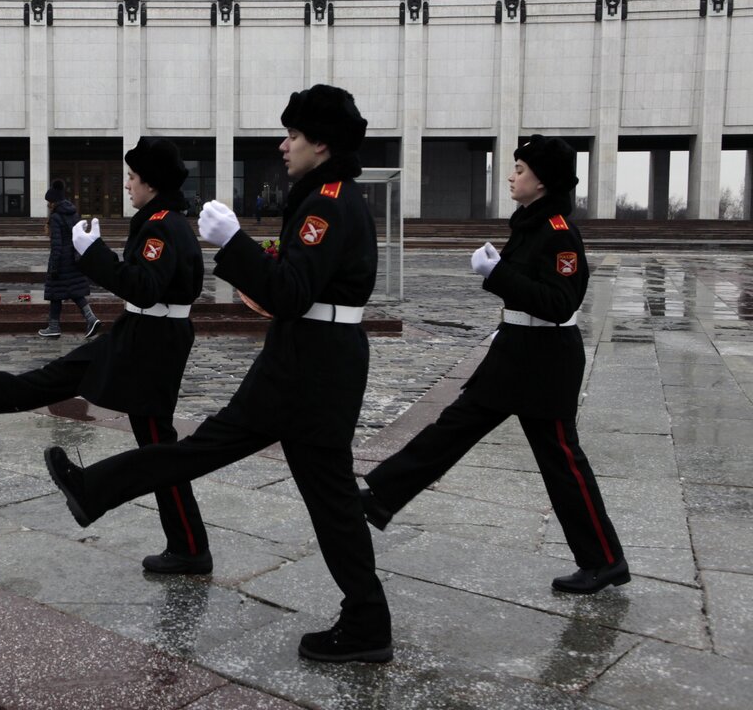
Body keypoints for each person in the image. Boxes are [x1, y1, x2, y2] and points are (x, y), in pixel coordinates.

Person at [44, 85, 393, 664]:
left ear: (322, 144)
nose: (285, 147)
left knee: (215, 452)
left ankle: (96, 489)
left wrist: (233, 244)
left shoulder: (328, 203)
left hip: (309, 365)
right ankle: (367, 620)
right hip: (318, 357)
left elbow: (289, 292)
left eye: (294, 137)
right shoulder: (331, 196)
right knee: (321, 494)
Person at [360, 135, 629, 595]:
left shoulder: (560, 231)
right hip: (516, 351)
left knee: (562, 462)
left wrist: (497, 274)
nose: (511, 176)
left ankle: (605, 560)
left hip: (546, 360)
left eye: (520, 169)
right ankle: (382, 496)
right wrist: (500, 267)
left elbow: (560, 303)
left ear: (541, 181)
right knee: (452, 428)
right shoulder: (531, 224)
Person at [0, 137, 213, 574]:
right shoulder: (162, 220)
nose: (127, 185)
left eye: (133, 177)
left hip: (153, 342)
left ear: (152, 183)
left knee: (159, 448)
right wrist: (95, 256)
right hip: (142, 332)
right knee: (59, 378)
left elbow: (143, 286)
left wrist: (93, 253)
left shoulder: (163, 224)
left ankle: (190, 547)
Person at [40, 179, 102, 339]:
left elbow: (57, 245)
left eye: (49, 201)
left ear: (53, 202)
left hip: (61, 261)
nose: (48, 205)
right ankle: (89, 319)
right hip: (74, 258)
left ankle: (55, 326)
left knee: (56, 293)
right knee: (73, 292)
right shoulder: (73, 213)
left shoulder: (55, 217)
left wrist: (53, 266)